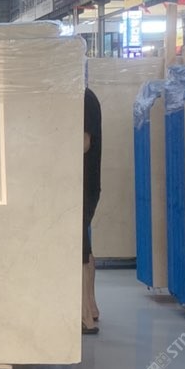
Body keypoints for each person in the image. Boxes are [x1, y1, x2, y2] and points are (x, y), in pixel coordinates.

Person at [83, 88, 102, 334]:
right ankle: (91, 308)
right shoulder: (85, 96)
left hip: (84, 185)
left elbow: (84, 142)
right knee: (84, 247)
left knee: (81, 250)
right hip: (85, 185)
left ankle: (85, 316)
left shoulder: (84, 98)